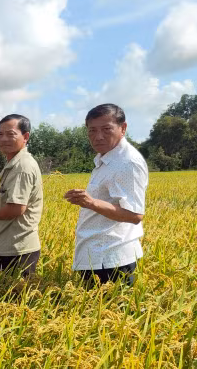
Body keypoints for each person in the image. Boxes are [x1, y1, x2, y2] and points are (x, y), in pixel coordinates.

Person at [65, 104, 148, 288]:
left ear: (123, 128)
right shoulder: (107, 159)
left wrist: (91, 202)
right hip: (97, 255)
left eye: (106, 129)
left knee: (112, 313)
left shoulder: (127, 163)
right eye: (92, 130)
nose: (98, 136)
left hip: (111, 259)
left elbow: (134, 215)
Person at [0, 114, 43, 277]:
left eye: (10, 134)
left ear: (25, 137)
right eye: (0, 134)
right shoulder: (14, 164)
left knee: (15, 298)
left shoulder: (22, 166)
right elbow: (12, 203)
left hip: (18, 248)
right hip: (10, 245)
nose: (3, 139)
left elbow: (17, 209)